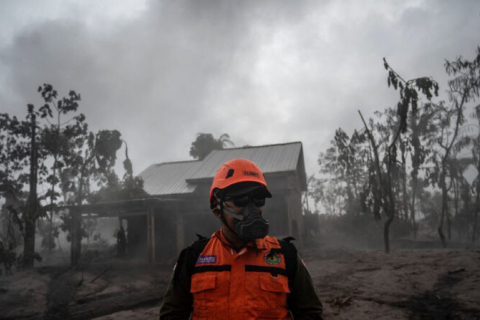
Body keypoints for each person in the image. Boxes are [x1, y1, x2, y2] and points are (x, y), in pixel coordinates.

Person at [159, 159, 323, 320]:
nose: (251, 210)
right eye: (240, 200)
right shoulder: (193, 258)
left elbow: (310, 313)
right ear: (217, 209)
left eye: (258, 199)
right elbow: (172, 314)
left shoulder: (285, 256)